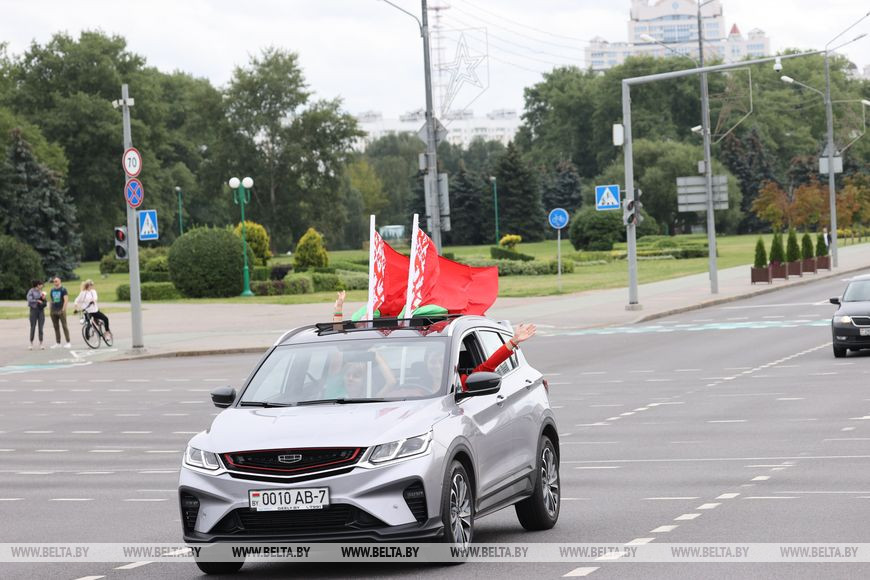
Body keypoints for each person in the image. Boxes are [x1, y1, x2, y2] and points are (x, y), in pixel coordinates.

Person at [48, 276, 71, 349]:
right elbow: (51, 300)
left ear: (60, 281)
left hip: (61, 310)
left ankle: (68, 342)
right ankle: (58, 342)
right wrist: (50, 309)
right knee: (56, 327)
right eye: (54, 281)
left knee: (64, 326)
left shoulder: (63, 290)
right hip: (53, 310)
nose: (55, 282)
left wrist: (63, 309)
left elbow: (66, 300)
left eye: (56, 281)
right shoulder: (52, 290)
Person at [26, 280, 47, 350]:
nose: (42, 285)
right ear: (38, 285)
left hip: (41, 310)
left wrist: (43, 298)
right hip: (33, 310)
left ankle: (41, 343)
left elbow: (43, 300)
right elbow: (29, 299)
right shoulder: (31, 291)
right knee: (33, 327)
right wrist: (37, 300)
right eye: (41, 284)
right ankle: (31, 343)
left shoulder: (41, 292)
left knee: (41, 327)